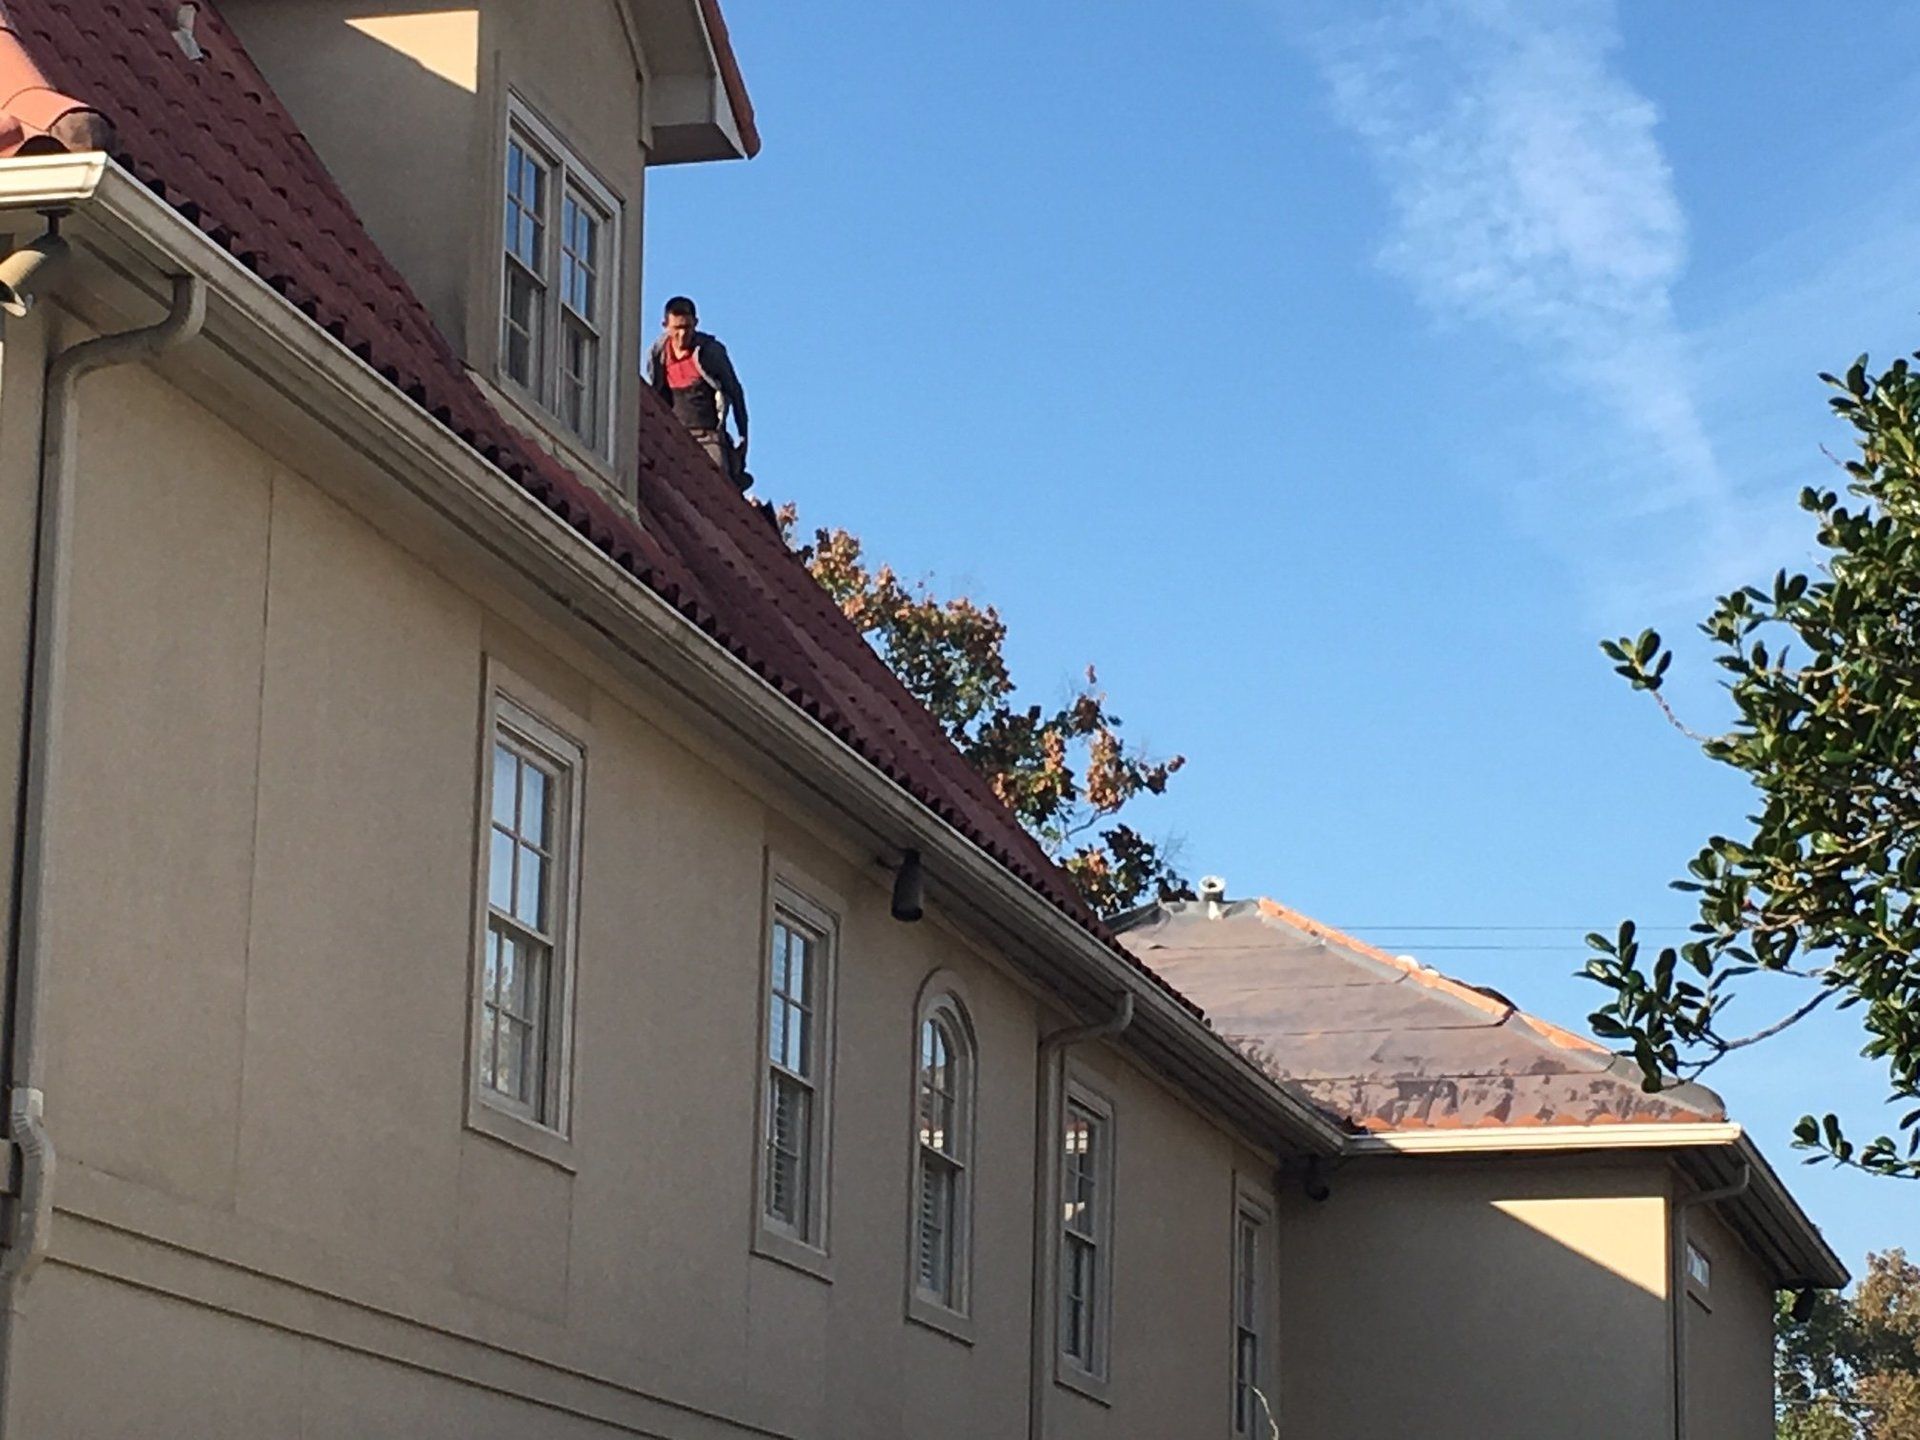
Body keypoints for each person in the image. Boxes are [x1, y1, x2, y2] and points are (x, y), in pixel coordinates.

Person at [646, 296, 749, 489]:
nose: (682, 335)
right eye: (677, 329)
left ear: (696, 324)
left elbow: (734, 391)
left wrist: (743, 434)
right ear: (665, 326)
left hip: (708, 435)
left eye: (688, 327)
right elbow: (656, 391)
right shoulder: (658, 353)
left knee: (718, 486)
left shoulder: (710, 352)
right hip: (675, 433)